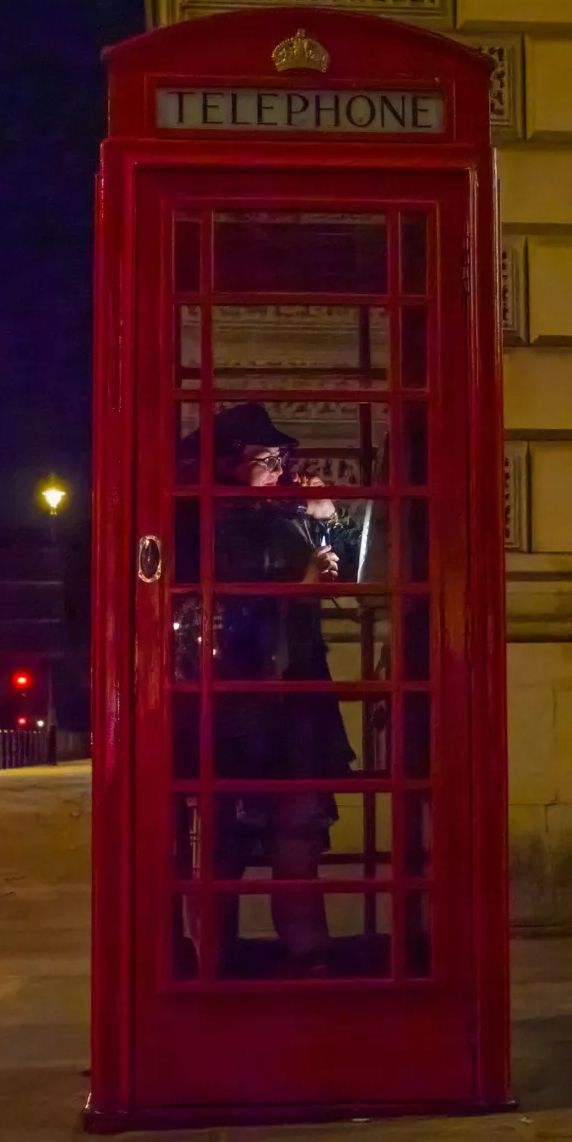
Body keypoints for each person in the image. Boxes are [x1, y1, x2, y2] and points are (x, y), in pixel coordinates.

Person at [176, 403, 357, 976]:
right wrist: (297, 585)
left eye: (284, 455)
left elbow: (358, 573)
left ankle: (311, 954)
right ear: (229, 462)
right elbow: (214, 610)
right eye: (266, 456)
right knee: (222, 839)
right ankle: (213, 956)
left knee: (298, 832)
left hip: (297, 695)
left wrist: (328, 519)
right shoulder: (204, 520)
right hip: (233, 695)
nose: (281, 466)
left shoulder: (291, 512)